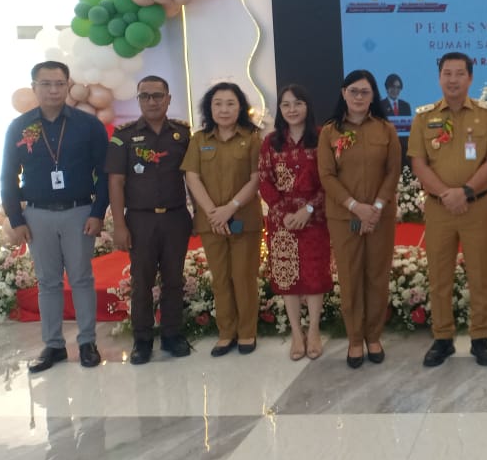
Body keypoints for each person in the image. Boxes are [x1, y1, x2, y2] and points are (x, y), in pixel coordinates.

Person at [0, 61, 108, 373]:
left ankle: (87, 342)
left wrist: (98, 212)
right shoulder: (19, 127)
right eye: (45, 84)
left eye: (59, 83)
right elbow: (8, 176)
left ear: (67, 85)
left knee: (82, 278)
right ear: (34, 87)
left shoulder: (88, 125)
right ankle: (54, 345)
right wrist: (17, 219)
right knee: (47, 282)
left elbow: (105, 172)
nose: (53, 90)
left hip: (79, 212)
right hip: (37, 214)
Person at [407, 52, 487, 367]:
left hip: (476, 205)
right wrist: (445, 194)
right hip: (439, 208)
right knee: (439, 275)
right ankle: (442, 338)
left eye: (459, 73)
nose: (453, 80)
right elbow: (418, 163)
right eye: (447, 73)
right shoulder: (423, 117)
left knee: (480, 274)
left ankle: (480, 337)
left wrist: (465, 191)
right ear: (439, 78)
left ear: (470, 78)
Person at [106, 75, 193, 364]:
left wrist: (199, 214)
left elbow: (192, 177)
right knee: (141, 281)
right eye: (145, 96)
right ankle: (142, 339)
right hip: (140, 220)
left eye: (157, 96)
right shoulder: (124, 136)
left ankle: (172, 334)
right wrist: (119, 225)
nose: (151, 101)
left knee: (174, 279)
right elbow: (116, 182)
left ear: (168, 99)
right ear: (138, 100)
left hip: (175, 217)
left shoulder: (183, 135)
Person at [317, 71, 401, 368]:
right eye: (353, 91)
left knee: (377, 276)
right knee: (350, 278)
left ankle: (373, 336)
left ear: (373, 95)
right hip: (344, 217)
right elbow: (326, 175)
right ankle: (355, 339)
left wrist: (375, 207)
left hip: (379, 216)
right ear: (343, 93)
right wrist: (355, 207)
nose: (359, 97)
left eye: (365, 92)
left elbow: (393, 171)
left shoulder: (385, 129)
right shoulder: (330, 132)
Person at [181, 82, 263, 357]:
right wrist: (212, 212)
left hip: (244, 220)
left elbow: (256, 178)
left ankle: (247, 332)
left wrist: (230, 208)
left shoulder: (253, 138)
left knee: (243, 277)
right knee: (221, 279)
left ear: (240, 107)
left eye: (230, 103)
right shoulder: (199, 140)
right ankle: (226, 333)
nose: (224, 109)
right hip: (211, 222)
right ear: (209, 107)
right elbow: (192, 177)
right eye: (218, 103)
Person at [259, 85, 332, 362]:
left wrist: (308, 209)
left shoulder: (322, 138)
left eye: (298, 103)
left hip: (315, 218)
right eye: (286, 104)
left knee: (314, 275)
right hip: (282, 222)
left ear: (307, 106)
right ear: (280, 109)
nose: (292, 109)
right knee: (287, 275)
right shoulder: (271, 142)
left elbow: (330, 179)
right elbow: (264, 180)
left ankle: (313, 330)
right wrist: (283, 212)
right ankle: (296, 333)